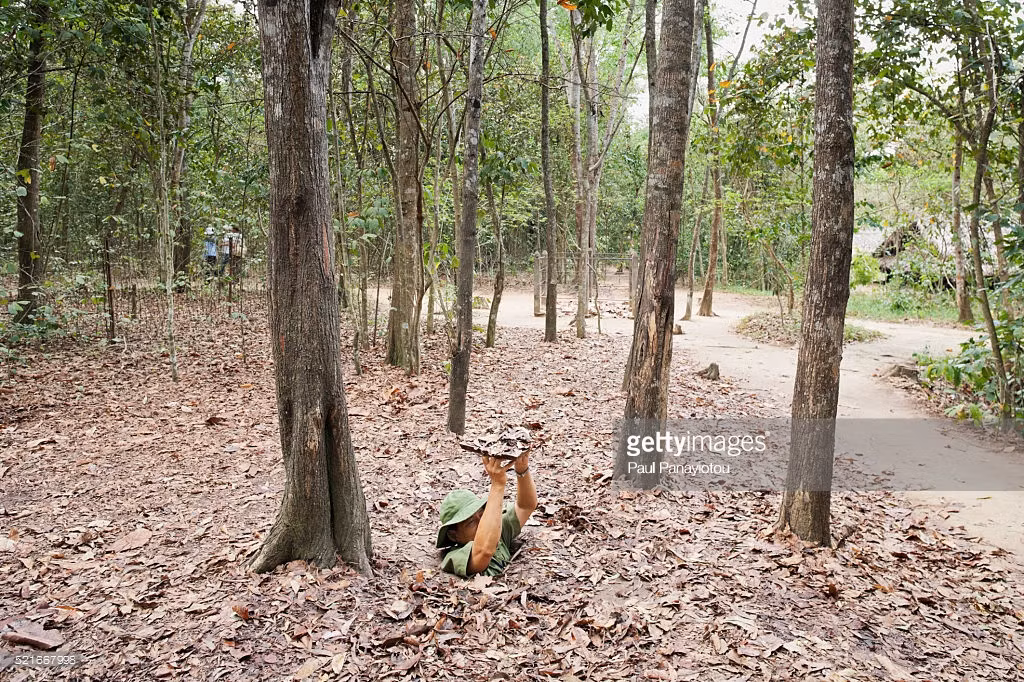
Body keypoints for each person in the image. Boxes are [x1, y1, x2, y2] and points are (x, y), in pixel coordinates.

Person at [436, 452, 537, 577]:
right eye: (471, 522)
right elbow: (484, 551)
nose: (482, 522)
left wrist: (522, 470)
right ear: (453, 536)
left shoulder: (498, 532)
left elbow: (525, 506)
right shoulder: (455, 556)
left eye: (482, 515)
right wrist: (497, 485)